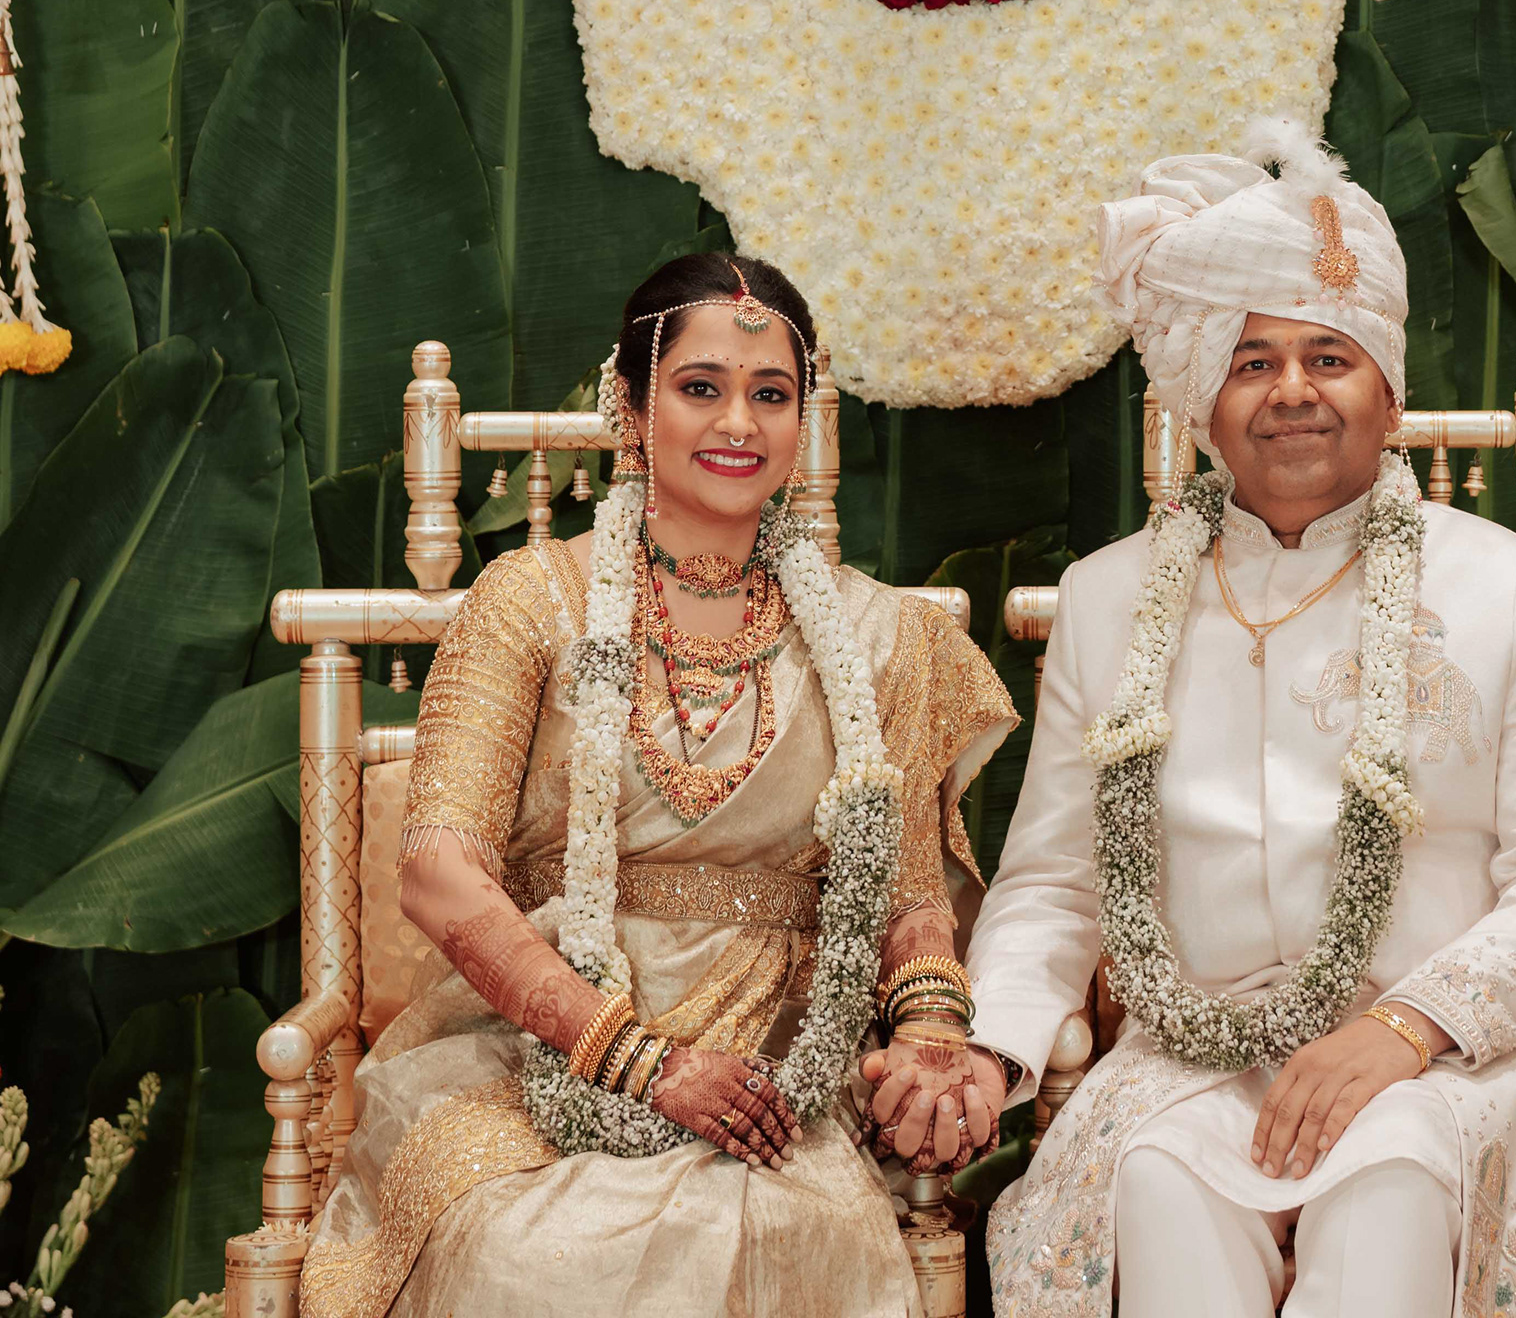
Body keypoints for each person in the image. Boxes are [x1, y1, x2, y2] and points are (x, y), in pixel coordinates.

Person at [933, 122, 1516, 1317]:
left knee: (1388, 1186)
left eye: (1328, 355)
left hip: (1445, 1062)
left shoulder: (1497, 585)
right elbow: (1053, 884)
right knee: (1155, 1186)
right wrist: (992, 1048)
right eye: (1251, 360)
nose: (1291, 388)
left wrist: (1403, 1027)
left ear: (1387, 390)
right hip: (1192, 1066)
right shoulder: (1108, 598)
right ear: (1203, 399)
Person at [298, 253, 1018, 1318]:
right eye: (700, 387)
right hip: (536, 1057)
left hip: (778, 1075)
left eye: (770, 394)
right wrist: (636, 1059)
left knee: (791, 1233)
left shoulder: (882, 638)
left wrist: (930, 1033)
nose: (738, 423)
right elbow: (437, 873)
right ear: (632, 408)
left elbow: (910, 896)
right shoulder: (530, 599)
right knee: (523, 1253)